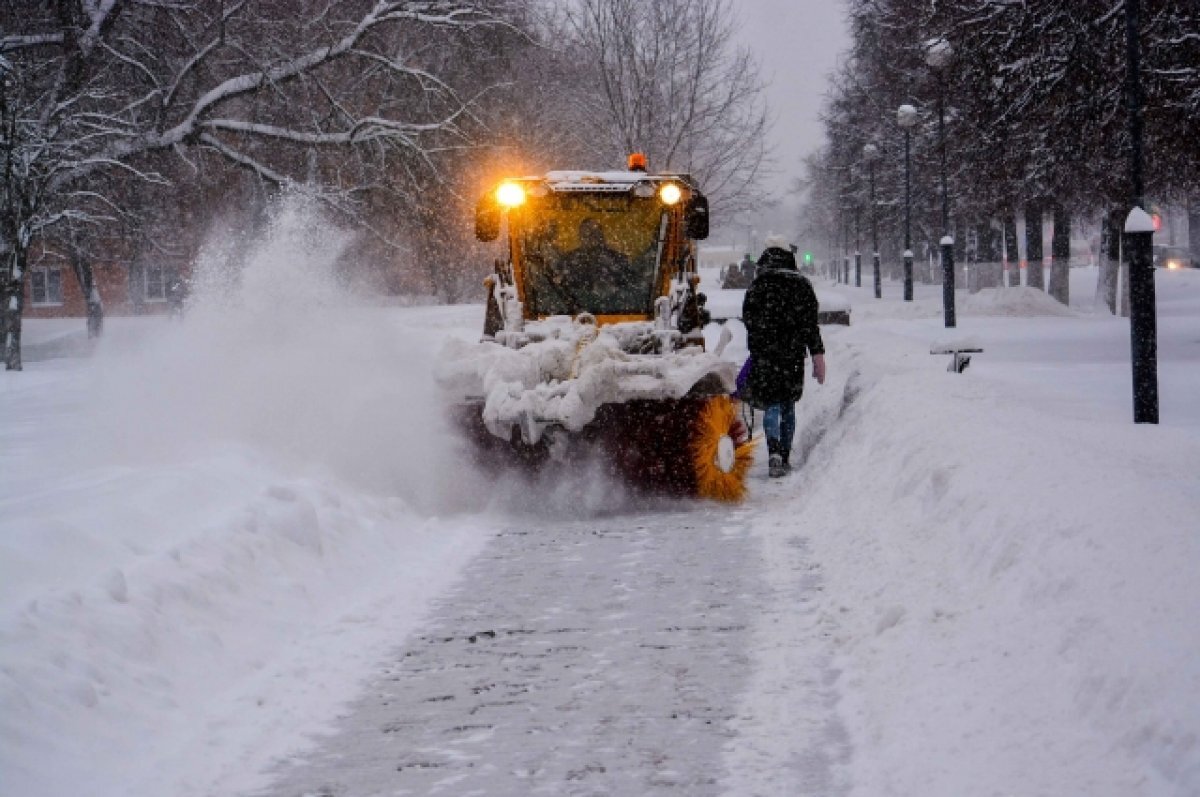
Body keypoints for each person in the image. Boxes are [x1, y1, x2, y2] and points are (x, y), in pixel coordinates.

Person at [741, 237, 826, 478]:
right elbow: (811, 324)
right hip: (792, 356)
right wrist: (817, 354)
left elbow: (749, 321)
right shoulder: (801, 285)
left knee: (771, 403)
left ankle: (773, 452)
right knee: (788, 405)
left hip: (766, 355)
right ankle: (785, 455)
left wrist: (757, 347)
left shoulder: (757, 286)